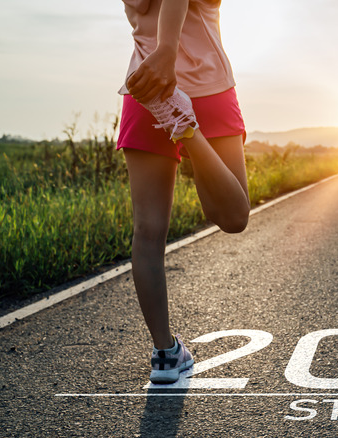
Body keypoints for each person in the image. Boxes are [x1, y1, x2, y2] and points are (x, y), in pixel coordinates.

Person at [117, 0, 250, 383]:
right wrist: (168, 52)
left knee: (147, 231)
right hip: (208, 86)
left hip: (144, 90)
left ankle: (165, 355)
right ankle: (187, 128)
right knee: (233, 216)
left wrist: (160, 57)